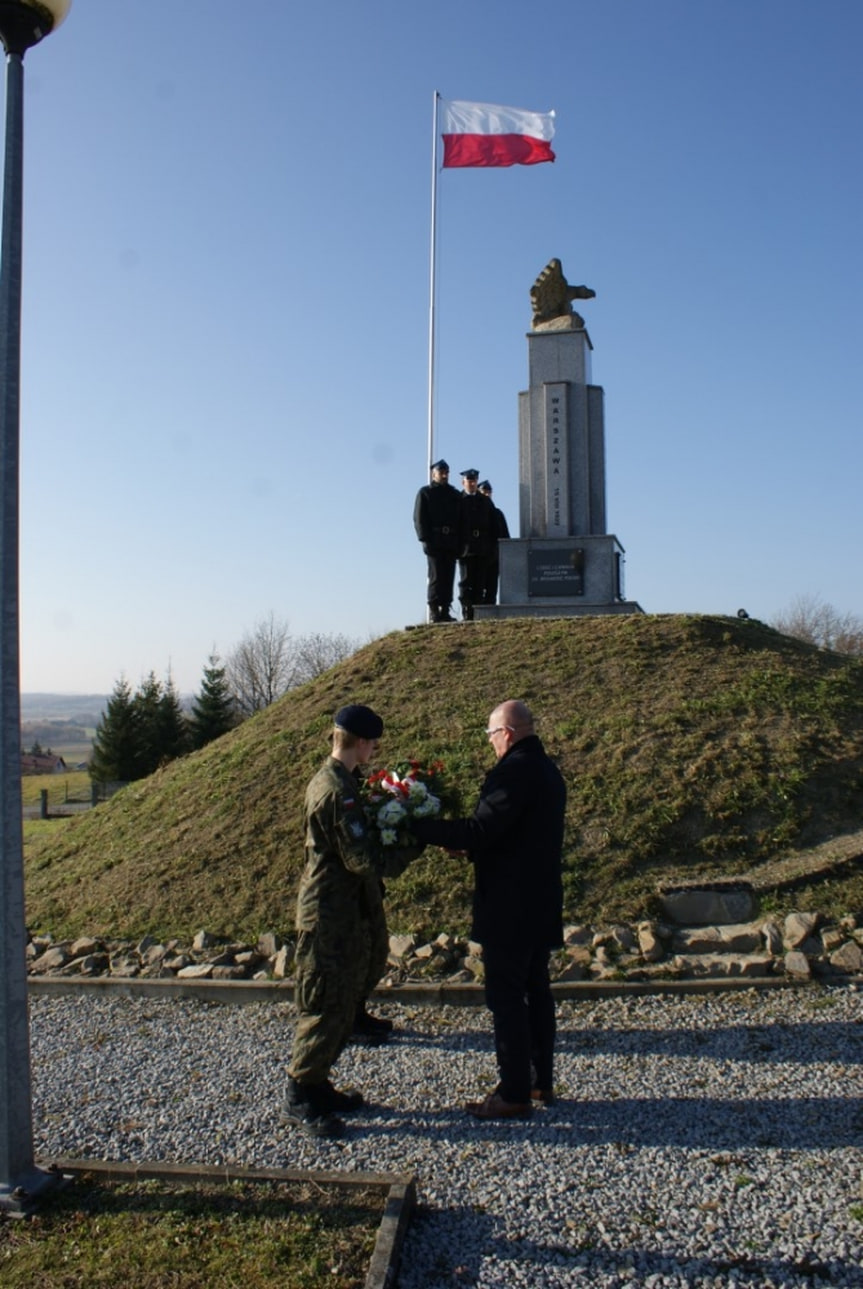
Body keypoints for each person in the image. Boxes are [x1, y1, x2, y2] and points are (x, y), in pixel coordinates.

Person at [411, 700, 566, 1120]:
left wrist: (416, 825)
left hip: (510, 907)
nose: (491, 744)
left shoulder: (514, 771)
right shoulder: (546, 769)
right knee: (536, 991)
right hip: (539, 900)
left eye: (491, 735)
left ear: (508, 734)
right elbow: (512, 833)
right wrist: (475, 845)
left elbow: (482, 828)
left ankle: (513, 1092)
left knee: (507, 999)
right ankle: (538, 1081)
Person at [284, 704, 424, 1138]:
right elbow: (363, 858)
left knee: (345, 995)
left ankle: (319, 1083)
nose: (376, 750)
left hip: (347, 908)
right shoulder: (335, 791)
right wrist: (416, 841)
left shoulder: (344, 781)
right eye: (373, 743)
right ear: (360, 742)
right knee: (326, 1002)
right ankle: (300, 1094)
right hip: (329, 914)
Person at [413, 459, 461, 623]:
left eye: (446, 472)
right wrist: (424, 539)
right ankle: (434, 610)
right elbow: (419, 518)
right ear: (433, 474)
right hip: (435, 540)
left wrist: (460, 542)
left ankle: (445, 609)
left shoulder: (454, 495)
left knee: (449, 577)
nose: (444, 475)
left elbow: (461, 520)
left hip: (451, 541)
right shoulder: (426, 493)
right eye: (441, 472)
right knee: (436, 576)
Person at [457, 468, 495, 620]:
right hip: (466, 548)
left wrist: (491, 548)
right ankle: (467, 611)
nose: (472, 483)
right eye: (469, 481)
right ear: (463, 482)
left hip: (482, 548)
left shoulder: (485, 501)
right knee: (466, 582)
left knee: (480, 583)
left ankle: (478, 612)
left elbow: (493, 526)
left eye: (474, 481)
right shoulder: (458, 500)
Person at [478, 480, 510, 605]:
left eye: (488, 492)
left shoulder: (498, 513)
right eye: (484, 492)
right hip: (479, 554)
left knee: (492, 587)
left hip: (494, 555)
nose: (486, 495)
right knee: (478, 586)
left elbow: (505, 536)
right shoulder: (475, 511)